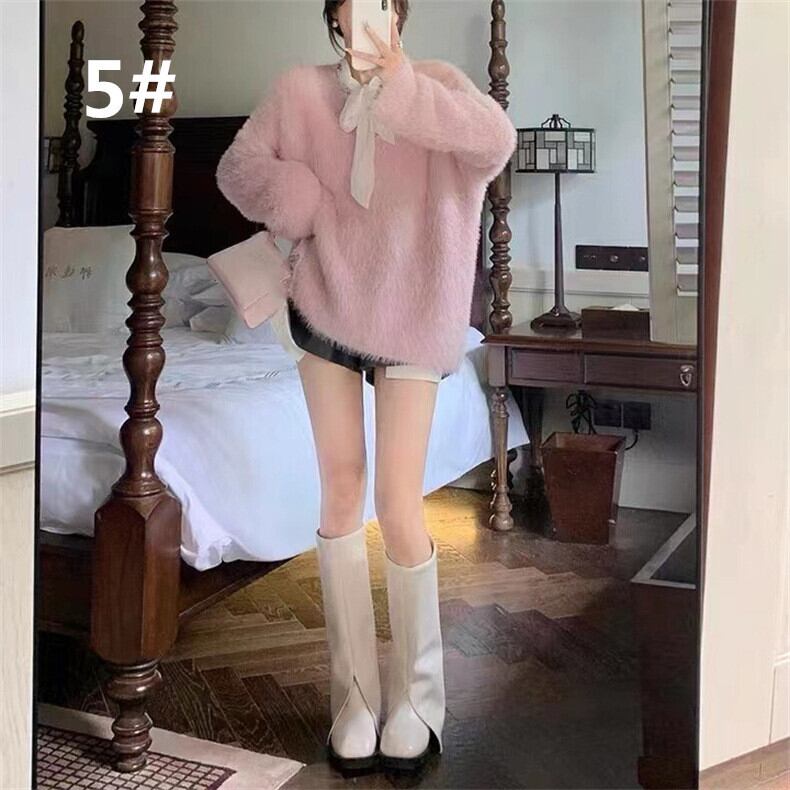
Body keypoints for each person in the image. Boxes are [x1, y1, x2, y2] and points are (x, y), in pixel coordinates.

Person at [216, 0, 516, 773]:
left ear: (399, 14)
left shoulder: (439, 85)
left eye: (384, 2)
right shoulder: (299, 91)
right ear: (335, 17)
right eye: (355, 5)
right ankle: (351, 697)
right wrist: (306, 204)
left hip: (413, 313)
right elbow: (237, 170)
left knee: (398, 500)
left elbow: (496, 143)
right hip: (324, 304)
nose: (370, 13)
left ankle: (417, 700)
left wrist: (403, 87)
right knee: (341, 490)